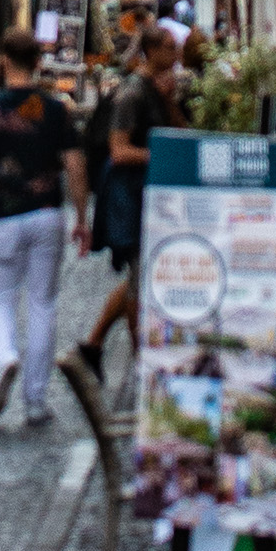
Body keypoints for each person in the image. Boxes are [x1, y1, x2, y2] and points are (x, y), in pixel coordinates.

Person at [0, 27, 89, 425]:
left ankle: (5, 356)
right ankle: (35, 400)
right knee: (42, 304)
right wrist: (82, 217)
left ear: (3, 61)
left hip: (2, 215)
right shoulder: (55, 109)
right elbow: (74, 164)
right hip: (47, 213)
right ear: (38, 63)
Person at [78, 23, 184, 382]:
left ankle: (92, 345)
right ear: (151, 51)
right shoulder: (131, 94)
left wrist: (169, 100)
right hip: (129, 197)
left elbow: (179, 132)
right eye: (170, 47)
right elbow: (119, 151)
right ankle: (143, 365)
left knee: (140, 275)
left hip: (149, 194)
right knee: (140, 279)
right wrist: (164, 157)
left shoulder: (157, 89)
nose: (176, 54)